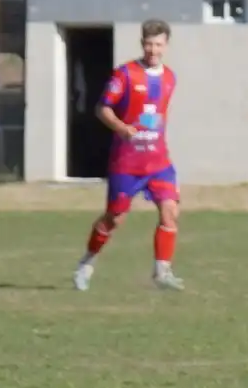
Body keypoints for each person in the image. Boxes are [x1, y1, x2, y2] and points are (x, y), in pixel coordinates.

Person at [73, 19, 184, 292]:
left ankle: (162, 271)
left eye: (158, 44)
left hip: (158, 162)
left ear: (166, 45)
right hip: (127, 163)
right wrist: (122, 128)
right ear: (141, 43)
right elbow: (102, 109)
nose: (153, 50)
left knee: (170, 211)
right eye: (148, 44)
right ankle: (86, 263)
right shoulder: (125, 74)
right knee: (114, 218)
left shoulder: (170, 78)